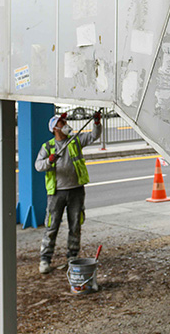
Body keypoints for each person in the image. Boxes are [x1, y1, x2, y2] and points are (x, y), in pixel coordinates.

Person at [34, 110, 103, 274]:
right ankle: (45, 259)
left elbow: (94, 135)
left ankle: (72, 256)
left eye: (64, 122)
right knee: (52, 226)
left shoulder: (75, 141)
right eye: (61, 123)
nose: (65, 125)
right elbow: (38, 166)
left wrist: (97, 123)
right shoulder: (48, 147)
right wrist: (50, 161)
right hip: (57, 193)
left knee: (75, 225)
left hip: (76, 191)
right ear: (54, 129)